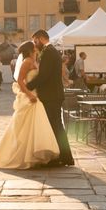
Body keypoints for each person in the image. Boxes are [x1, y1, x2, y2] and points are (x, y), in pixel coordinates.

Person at [0, 41, 59, 169]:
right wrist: (29, 95)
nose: (37, 47)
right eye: (34, 46)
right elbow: (20, 81)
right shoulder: (27, 61)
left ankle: (32, 154)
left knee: (34, 126)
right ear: (31, 49)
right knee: (24, 127)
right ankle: (22, 154)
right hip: (30, 96)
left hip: (36, 95)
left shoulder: (34, 61)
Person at [26, 29, 75, 167]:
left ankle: (63, 157)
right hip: (52, 95)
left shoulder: (49, 52)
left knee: (56, 127)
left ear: (41, 38)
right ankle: (63, 156)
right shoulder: (50, 51)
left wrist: (28, 86)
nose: (34, 44)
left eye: (35, 40)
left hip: (51, 96)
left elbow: (44, 75)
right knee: (55, 126)